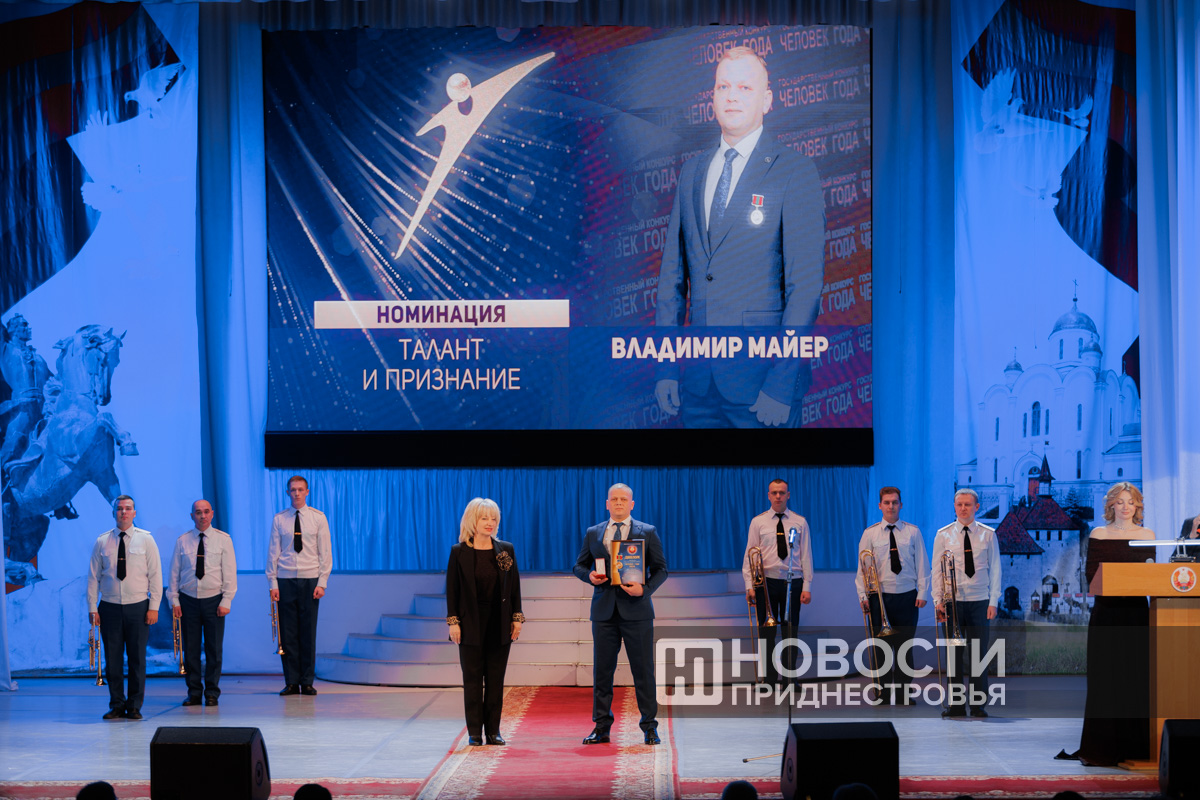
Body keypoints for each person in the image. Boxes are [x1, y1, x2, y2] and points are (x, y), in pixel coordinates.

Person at [654, 46, 825, 428]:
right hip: (698, 387)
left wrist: (781, 384)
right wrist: (665, 368)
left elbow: (805, 289)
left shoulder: (795, 171)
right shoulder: (691, 172)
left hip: (763, 387)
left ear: (767, 100)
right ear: (712, 97)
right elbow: (671, 281)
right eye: (723, 87)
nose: (732, 96)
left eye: (745, 88)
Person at [573, 483, 668, 745]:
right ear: (607, 504)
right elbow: (578, 566)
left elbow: (661, 569)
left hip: (637, 611)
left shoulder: (647, 531)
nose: (618, 503)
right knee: (602, 672)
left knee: (643, 671)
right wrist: (589, 576)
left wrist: (644, 590)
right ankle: (601, 727)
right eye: (614, 499)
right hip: (604, 613)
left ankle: (649, 727)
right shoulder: (593, 532)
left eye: (623, 499)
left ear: (631, 504)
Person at [1069, 482, 1153, 765]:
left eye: (1131, 502)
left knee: (1135, 677)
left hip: (1136, 615)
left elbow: (1149, 577)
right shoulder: (1099, 534)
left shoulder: (1147, 535)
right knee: (1105, 679)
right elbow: (1092, 576)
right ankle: (1102, 747)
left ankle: (1135, 747)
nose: (1126, 507)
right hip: (1106, 613)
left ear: (1137, 506)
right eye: (1120, 502)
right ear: (1111, 506)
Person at [445, 498, 524, 746]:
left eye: (494, 519)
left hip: (499, 623)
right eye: (484, 518)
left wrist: (517, 617)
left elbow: (514, 587)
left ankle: (493, 731)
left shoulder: (506, 550)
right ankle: (474, 732)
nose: (490, 523)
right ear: (473, 521)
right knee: (472, 679)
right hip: (470, 624)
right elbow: (452, 590)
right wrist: (453, 622)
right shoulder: (459, 552)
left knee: (495, 680)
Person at [87, 495, 161, 720]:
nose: (123, 512)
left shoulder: (146, 540)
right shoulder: (102, 541)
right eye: (119, 509)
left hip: (138, 607)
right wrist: (92, 607)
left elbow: (156, 575)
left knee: (137, 659)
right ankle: (117, 705)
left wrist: (154, 607)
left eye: (128, 508)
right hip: (109, 607)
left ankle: (134, 706)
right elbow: (93, 577)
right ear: (113, 513)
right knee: (113, 659)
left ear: (134, 513)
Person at [855, 487, 928, 704]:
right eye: (886, 502)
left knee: (905, 648)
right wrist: (863, 596)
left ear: (901, 505)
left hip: (907, 596)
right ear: (880, 506)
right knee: (882, 649)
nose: (891, 506)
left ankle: (904, 693)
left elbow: (922, 564)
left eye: (895, 502)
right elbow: (862, 569)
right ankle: (883, 693)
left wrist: (923, 591)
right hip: (880, 598)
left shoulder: (913, 532)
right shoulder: (870, 534)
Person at [931, 488, 999, 719]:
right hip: (953, 604)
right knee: (954, 656)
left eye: (968, 504)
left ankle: (978, 705)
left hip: (980, 602)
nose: (963, 508)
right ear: (954, 506)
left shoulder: (988, 534)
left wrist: (993, 600)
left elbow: (996, 569)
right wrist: (938, 600)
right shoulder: (943, 535)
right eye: (959, 504)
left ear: (976, 507)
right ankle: (956, 705)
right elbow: (936, 571)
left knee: (979, 655)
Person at [741, 478, 812, 684]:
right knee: (767, 633)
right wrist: (749, 585)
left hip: (793, 582)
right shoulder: (758, 522)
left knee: (790, 632)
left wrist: (807, 586)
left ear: (788, 495)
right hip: (766, 583)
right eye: (774, 493)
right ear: (768, 495)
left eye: (782, 492)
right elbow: (749, 554)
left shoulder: (800, 522)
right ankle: (770, 680)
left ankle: (790, 679)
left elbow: (806, 555)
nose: (778, 496)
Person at [167, 499, 237, 707]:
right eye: (198, 512)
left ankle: (212, 692)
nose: (202, 516)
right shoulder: (182, 541)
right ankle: (194, 693)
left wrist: (226, 600)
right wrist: (174, 600)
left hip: (214, 601)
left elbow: (229, 572)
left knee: (214, 650)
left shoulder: (223, 540)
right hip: (188, 601)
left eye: (206, 512)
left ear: (212, 514)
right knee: (191, 650)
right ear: (192, 516)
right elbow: (174, 574)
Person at [267, 475, 331, 696]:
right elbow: (273, 553)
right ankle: (292, 682)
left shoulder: (318, 518)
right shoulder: (279, 519)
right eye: (293, 490)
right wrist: (273, 583)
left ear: (307, 492)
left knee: (308, 632)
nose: (296, 493)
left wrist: (322, 582)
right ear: (287, 493)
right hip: (285, 580)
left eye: (300, 489)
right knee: (288, 633)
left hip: (310, 579)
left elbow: (325, 553)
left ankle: (307, 681)